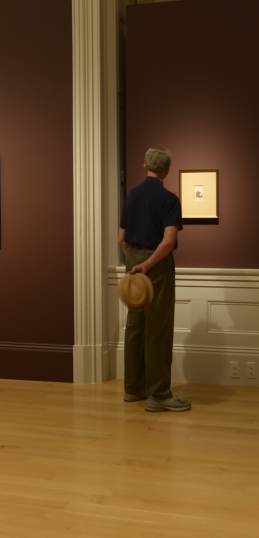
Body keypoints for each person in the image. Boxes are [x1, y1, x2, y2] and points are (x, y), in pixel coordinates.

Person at [118, 147, 191, 412]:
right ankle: (159, 394)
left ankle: (133, 389)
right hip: (156, 266)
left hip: (133, 260)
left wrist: (134, 263)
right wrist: (148, 265)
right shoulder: (169, 199)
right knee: (157, 328)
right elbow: (168, 241)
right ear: (167, 169)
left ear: (144, 166)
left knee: (136, 326)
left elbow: (121, 239)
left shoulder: (132, 196)